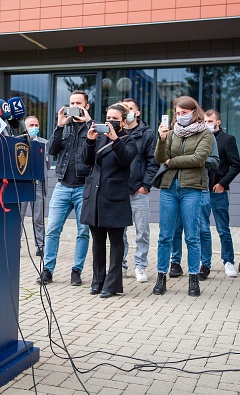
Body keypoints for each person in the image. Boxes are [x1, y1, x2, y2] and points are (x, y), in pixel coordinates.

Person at [153, 96, 213, 297]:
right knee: (165, 236)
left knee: (192, 236)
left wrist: (172, 162)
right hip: (169, 187)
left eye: (184, 113)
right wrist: (161, 141)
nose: (180, 117)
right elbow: (160, 159)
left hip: (192, 188)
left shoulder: (205, 133)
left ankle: (194, 279)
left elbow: (199, 159)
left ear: (194, 112)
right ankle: (161, 277)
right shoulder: (171, 133)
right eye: (177, 113)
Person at [81, 102, 138, 298]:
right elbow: (86, 161)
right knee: (97, 241)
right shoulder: (98, 138)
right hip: (94, 194)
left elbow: (126, 160)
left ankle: (111, 284)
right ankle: (97, 281)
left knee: (115, 241)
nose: (111, 121)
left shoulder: (129, 140)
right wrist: (89, 141)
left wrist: (115, 140)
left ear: (123, 121)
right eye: (108, 118)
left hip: (114, 197)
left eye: (115, 118)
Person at [37, 91, 92, 286]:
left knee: (83, 232)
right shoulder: (64, 125)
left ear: (87, 106)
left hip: (83, 186)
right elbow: (51, 150)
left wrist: (87, 123)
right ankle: (47, 270)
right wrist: (59, 126)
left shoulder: (92, 127)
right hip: (62, 185)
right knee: (52, 230)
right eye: (72, 103)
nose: (75, 106)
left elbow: (94, 152)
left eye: (79, 103)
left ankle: (76, 271)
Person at [169, 130, 219, 281]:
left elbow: (215, 161)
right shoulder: (174, 134)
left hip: (199, 187)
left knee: (202, 228)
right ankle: (175, 263)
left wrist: (197, 159)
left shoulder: (206, 135)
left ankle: (205, 265)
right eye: (178, 113)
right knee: (175, 228)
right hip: (176, 186)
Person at [120, 98, 158, 283]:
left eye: (131, 109)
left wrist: (145, 186)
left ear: (138, 112)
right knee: (120, 232)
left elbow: (153, 162)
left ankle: (140, 265)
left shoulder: (148, 134)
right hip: (118, 192)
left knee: (142, 232)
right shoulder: (115, 132)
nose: (127, 112)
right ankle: (121, 265)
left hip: (138, 192)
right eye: (124, 109)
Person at [203, 109, 240, 279]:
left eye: (210, 121)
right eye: (204, 121)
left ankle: (228, 261)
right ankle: (205, 263)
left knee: (223, 229)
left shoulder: (227, 139)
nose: (206, 124)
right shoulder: (201, 138)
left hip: (218, 190)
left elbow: (236, 165)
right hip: (201, 189)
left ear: (218, 122)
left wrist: (222, 184)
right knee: (202, 229)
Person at [20, 116, 50, 257]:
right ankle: (16, 244)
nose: (34, 127)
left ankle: (40, 246)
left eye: (36, 125)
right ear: (25, 127)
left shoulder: (44, 143)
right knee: (18, 217)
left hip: (38, 186)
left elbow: (48, 164)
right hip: (23, 187)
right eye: (31, 125)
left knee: (38, 218)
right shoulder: (19, 142)